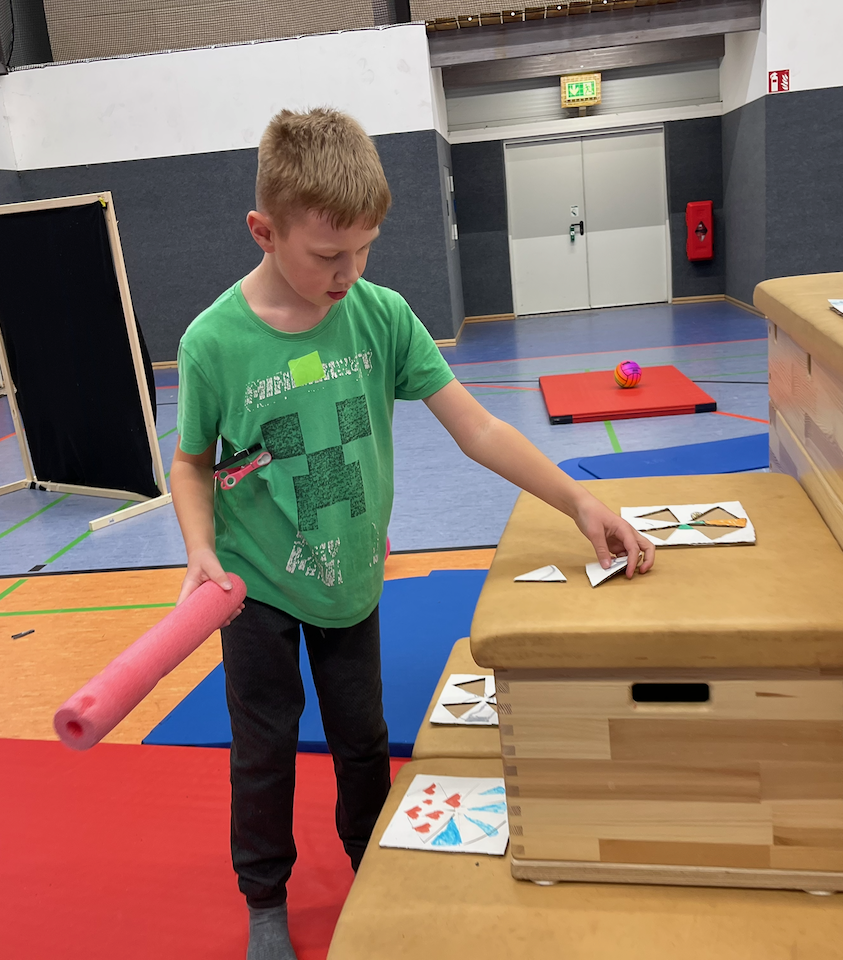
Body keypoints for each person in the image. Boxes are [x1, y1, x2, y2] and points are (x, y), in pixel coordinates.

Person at [170, 107, 653, 960]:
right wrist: (200, 550)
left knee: (363, 739)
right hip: (255, 585)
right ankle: (266, 897)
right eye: (328, 254)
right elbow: (191, 464)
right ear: (264, 231)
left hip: (350, 578)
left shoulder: (380, 316)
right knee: (264, 748)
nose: (349, 273)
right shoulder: (214, 344)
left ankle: (371, 863)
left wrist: (577, 501)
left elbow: (479, 428)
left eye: (365, 249)